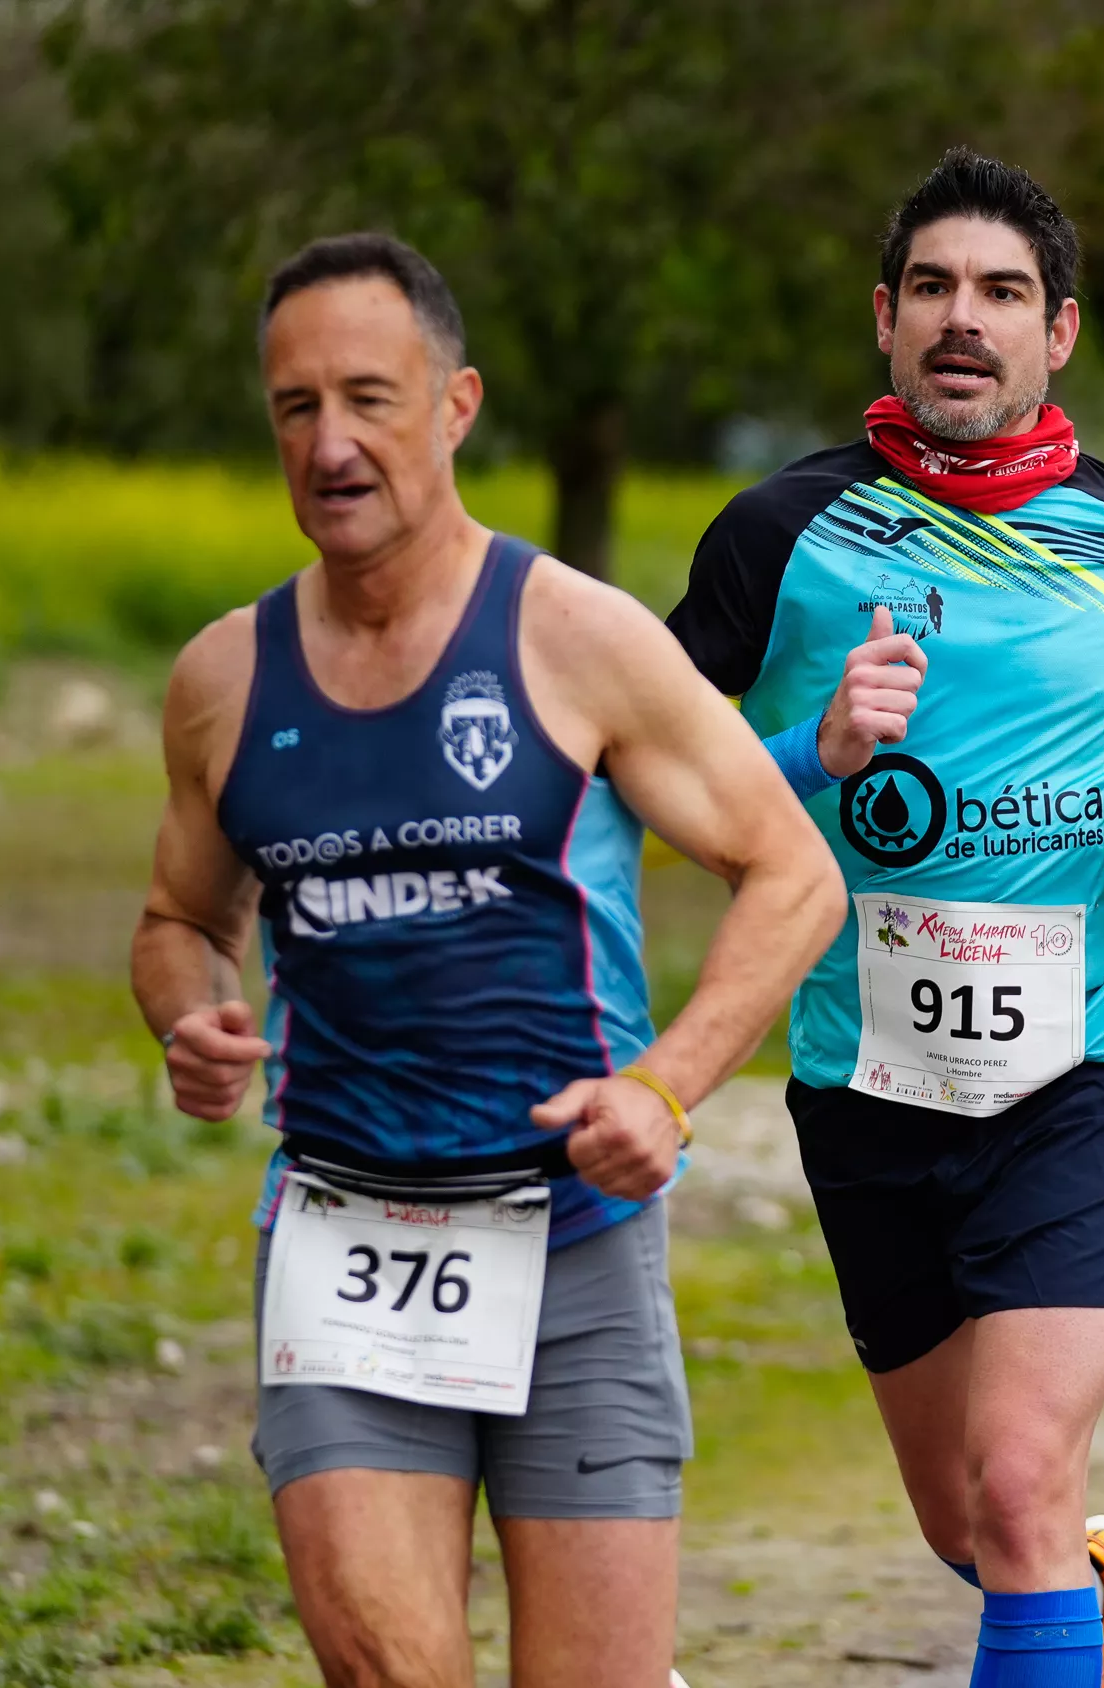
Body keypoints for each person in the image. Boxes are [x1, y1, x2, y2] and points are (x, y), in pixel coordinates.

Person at [133, 233, 844, 1688]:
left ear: (456, 406)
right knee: (390, 1670)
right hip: (341, 1244)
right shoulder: (222, 680)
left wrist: (666, 1084)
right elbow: (179, 923)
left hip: (569, 1243)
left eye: (369, 399)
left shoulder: (581, 639)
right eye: (294, 407)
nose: (331, 444)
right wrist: (191, 1012)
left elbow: (793, 875)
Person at [664, 152, 1104, 1688]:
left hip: (1090, 1075)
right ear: (883, 317)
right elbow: (644, 778)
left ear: (1061, 331)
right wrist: (810, 758)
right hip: (872, 1083)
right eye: (932, 288)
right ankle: (1078, 1602)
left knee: (1017, 1482)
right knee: (967, 1523)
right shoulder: (778, 539)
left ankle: (1055, 1581)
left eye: (1001, 294)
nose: (963, 321)